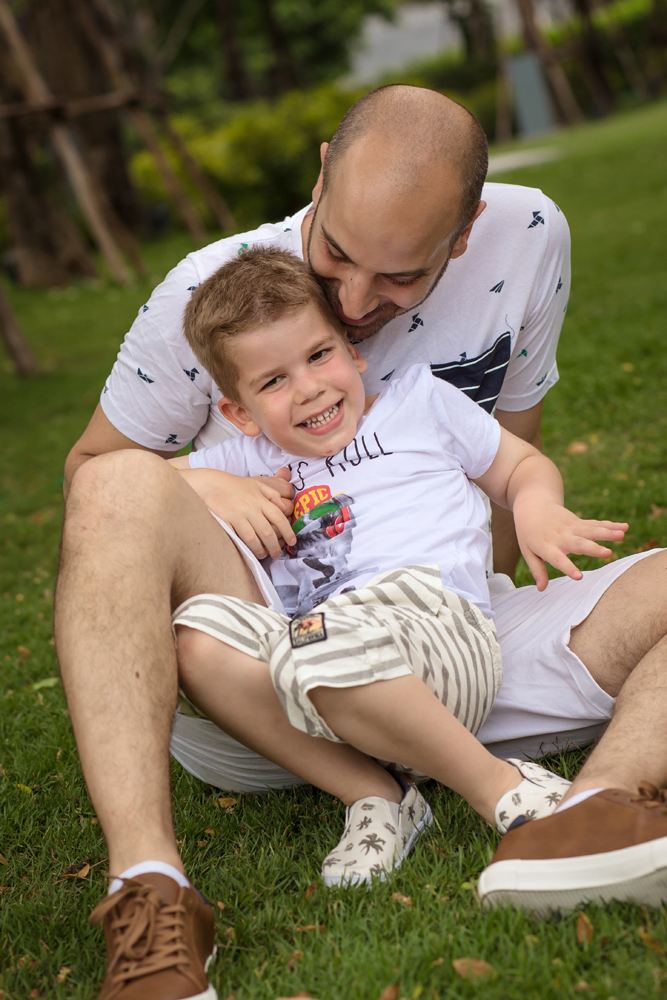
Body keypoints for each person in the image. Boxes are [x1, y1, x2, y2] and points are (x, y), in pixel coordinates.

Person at [55, 84, 667, 996]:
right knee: (117, 485)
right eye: (335, 254)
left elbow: (511, 453)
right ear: (320, 172)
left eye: (398, 278)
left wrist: (499, 557)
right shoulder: (209, 293)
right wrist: (202, 476)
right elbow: (92, 478)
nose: (347, 301)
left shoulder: (526, 236)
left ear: (463, 237)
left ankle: (584, 813)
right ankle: (151, 888)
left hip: (445, 627)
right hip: (263, 666)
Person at [166, 245, 625, 894]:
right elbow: (131, 484)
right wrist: (211, 485)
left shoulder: (419, 404)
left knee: (317, 639)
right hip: (319, 672)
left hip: (438, 630)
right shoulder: (247, 460)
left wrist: (537, 508)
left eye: (318, 355)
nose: (309, 388)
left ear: (352, 353)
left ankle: (501, 787)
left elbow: (521, 467)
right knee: (199, 641)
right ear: (237, 414)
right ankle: (378, 795)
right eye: (272, 382)